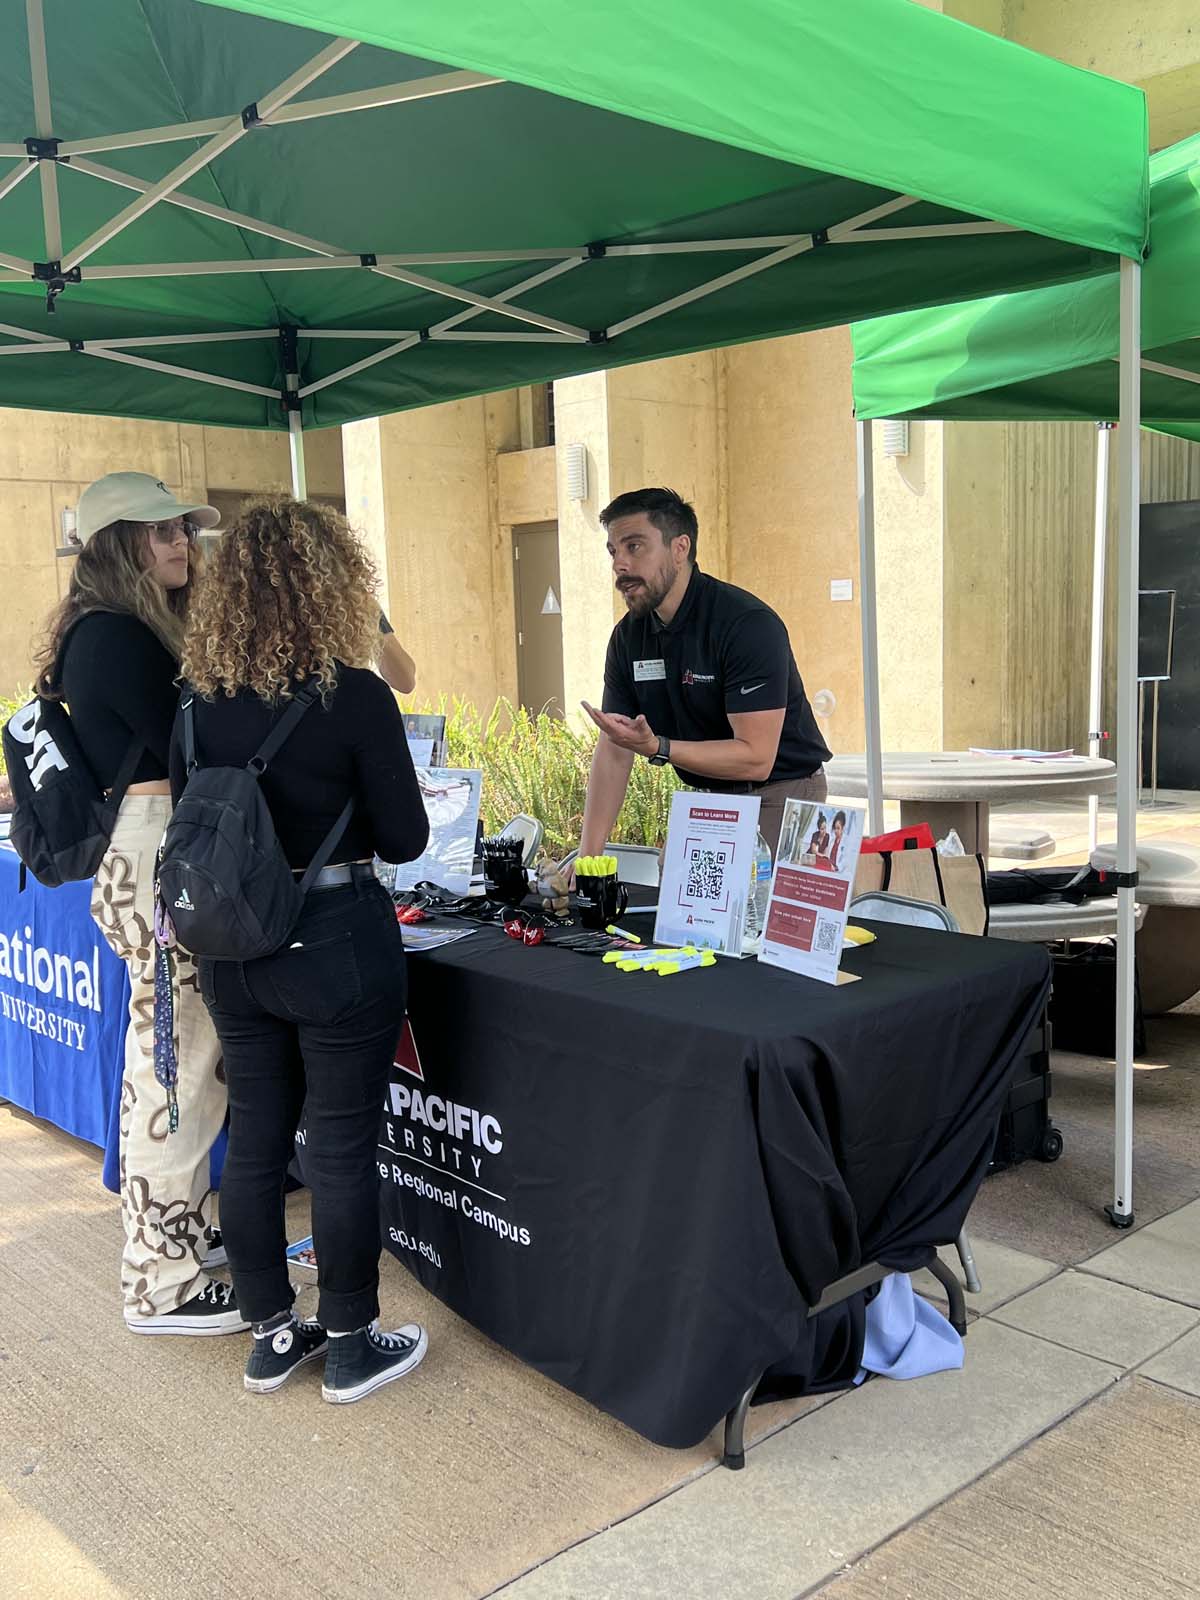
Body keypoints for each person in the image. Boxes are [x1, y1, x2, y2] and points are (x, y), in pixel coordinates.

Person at [170, 496, 431, 1404]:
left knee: (255, 1141)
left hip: (233, 951)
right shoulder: (352, 695)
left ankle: (272, 1336)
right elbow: (405, 838)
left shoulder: (194, 704)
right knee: (343, 1147)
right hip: (333, 942)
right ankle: (352, 1344)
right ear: (333, 584)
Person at [35, 471, 242, 1334]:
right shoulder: (118, 636)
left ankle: (185, 1237)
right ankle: (162, 1282)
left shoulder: (105, 631)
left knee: (177, 1059)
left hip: (149, 857)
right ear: (118, 543)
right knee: (175, 1068)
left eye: (183, 529)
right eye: (162, 531)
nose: (181, 542)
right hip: (156, 859)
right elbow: (192, 745)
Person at [577, 487, 831, 861]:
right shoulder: (628, 637)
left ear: (680, 548)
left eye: (635, 546)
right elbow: (615, 751)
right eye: (614, 551)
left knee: (748, 896)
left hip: (781, 792)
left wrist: (659, 748)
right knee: (675, 888)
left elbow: (756, 757)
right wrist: (587, 860)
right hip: (711, 798)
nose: (620, 564)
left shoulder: (746, 625)